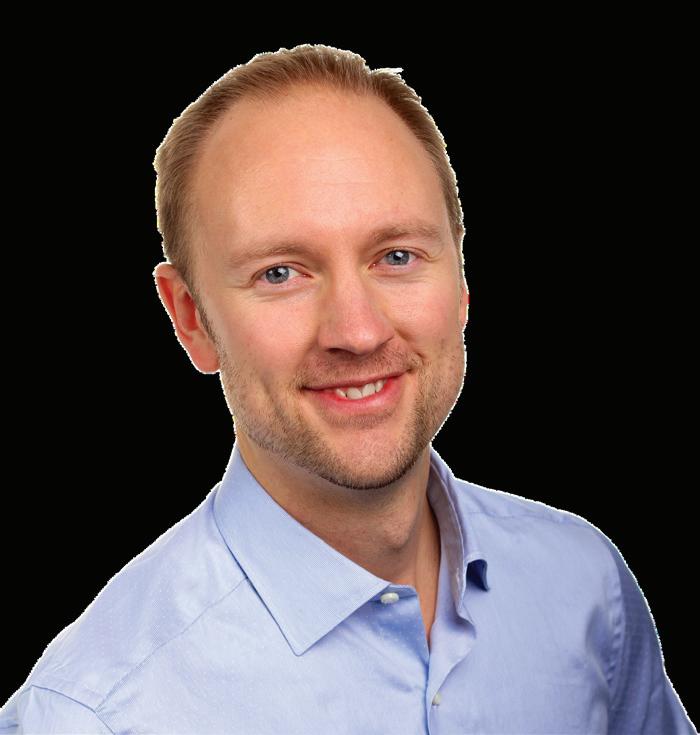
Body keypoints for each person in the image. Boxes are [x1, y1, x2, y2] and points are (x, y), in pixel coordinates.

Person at [1, 43, 694, 734]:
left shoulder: (585, 588)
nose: (357, 333)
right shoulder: (90, 716)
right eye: (280, 273)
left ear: (461, 278)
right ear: (191, 319)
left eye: (397, 255)